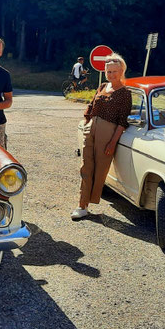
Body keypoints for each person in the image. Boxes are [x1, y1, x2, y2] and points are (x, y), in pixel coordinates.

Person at [71, 53, 131, 220]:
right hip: (90, 129)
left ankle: (89, 201)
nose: (111, 74)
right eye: (108, 71)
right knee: (86, 167)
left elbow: (122, 121)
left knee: (100, 170)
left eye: (114, 71)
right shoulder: (102, 86)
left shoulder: (125, 93)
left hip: (108, 133)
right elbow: (91, 105)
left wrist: (113, 142)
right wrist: (86, 121)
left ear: (121, 71)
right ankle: (82, 205)